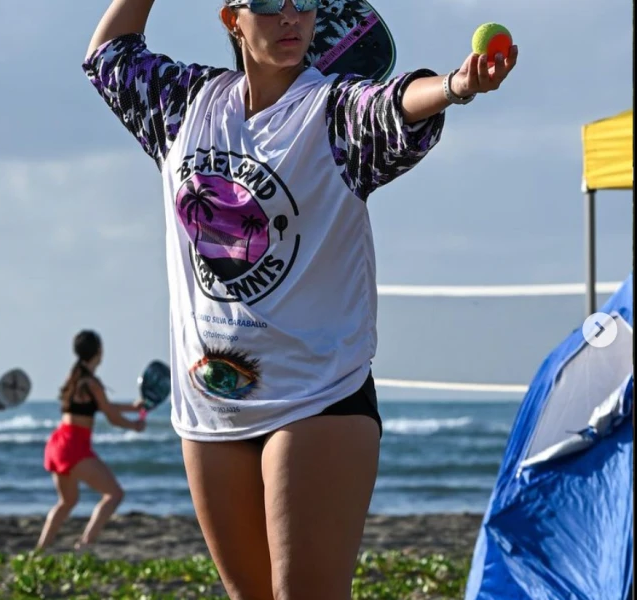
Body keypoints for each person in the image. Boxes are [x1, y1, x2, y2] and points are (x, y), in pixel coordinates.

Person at [82, 1, 518, 598]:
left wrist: (456, 86)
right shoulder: (186, 105)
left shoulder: (334, 113)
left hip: (318, 399)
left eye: (304, 4)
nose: (290, 18)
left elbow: (394, 102)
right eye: (268, 4)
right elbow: (109, 54)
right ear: (232, 19)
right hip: (211, 407)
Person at [37, 330, 146, 551]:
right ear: (99, 352)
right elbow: (111, 416)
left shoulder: (74, 377)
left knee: (67, 502)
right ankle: (85, 544)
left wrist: (132, 408)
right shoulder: (92, 383)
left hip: (58, 442)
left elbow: (100, 406)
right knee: (114, 494)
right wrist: (134, 425)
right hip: (74, 445)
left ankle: (39, 550)